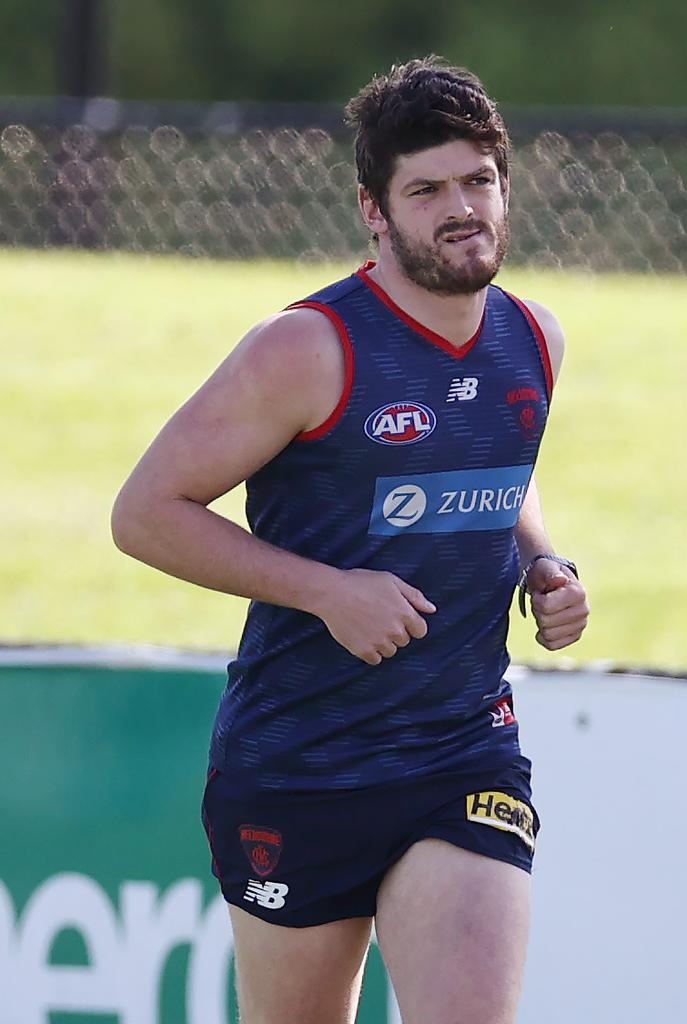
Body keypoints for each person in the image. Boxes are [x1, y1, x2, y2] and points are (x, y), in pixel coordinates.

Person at [112, 56, 589, 1024]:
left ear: (505, 185)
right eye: (427, 190)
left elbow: (498, 463)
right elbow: (146, 513)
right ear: (374, 210)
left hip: (463, 753)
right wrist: (328, 591)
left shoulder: (535, 338)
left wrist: (542, 557)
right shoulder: (304, 349)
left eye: (478, 181)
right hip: (300, 761)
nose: (462, 209)